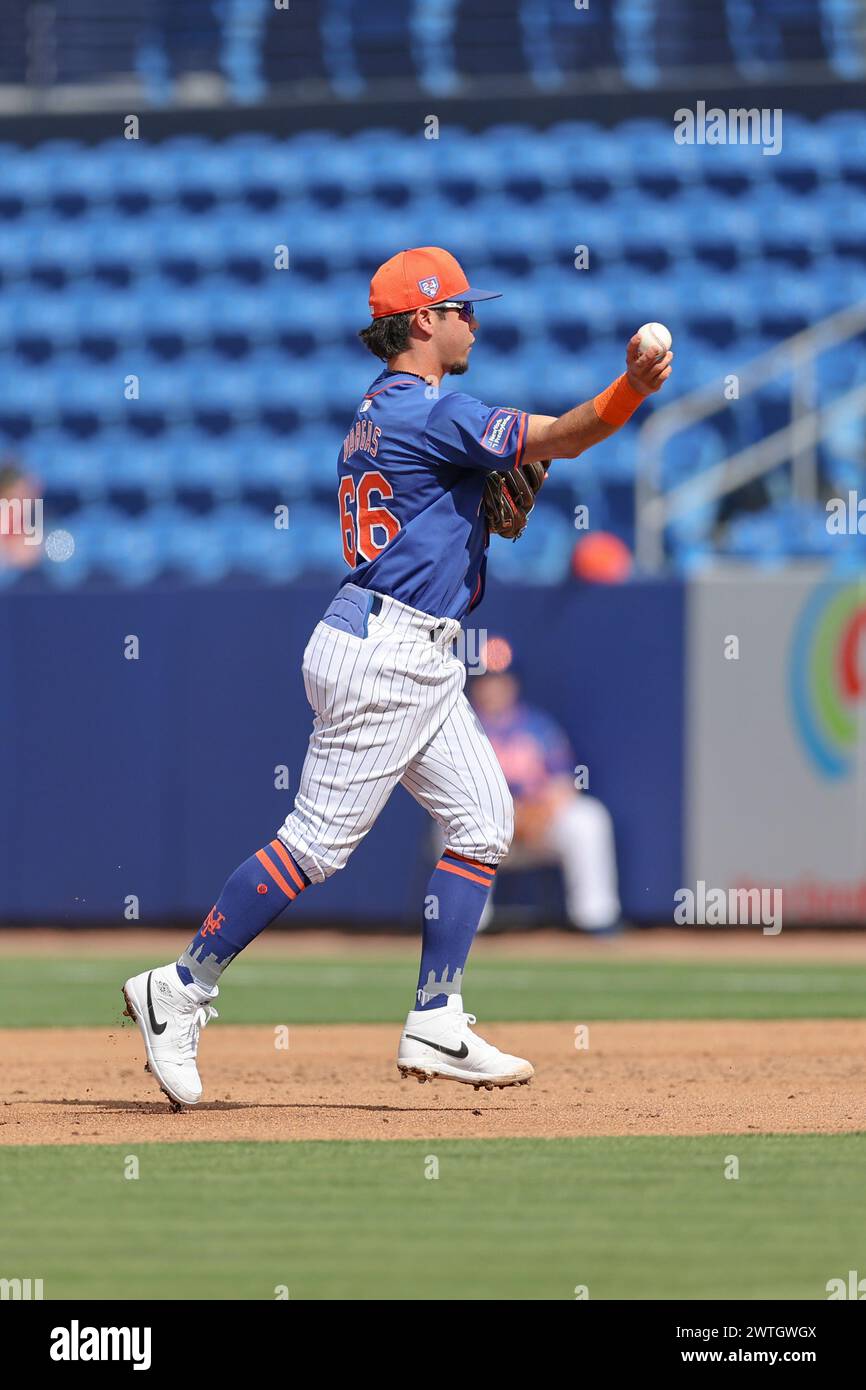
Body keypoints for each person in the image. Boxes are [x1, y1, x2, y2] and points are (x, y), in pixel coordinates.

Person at [122, 246, 672, 1107]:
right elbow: (570, 434)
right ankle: (180, 989)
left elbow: (448, 498)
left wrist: (468, 511)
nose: (472, 321)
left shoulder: (375, 415)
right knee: (316, 845)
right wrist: (632, 384)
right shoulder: (432, 411)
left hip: (409, 647)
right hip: (389, 649)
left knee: (483, 820)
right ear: (423, 320)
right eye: (460, 309)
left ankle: (436, 1017)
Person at [468, 646, 621, 934]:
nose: (493, 687)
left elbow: (565, 783)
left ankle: (597, 918)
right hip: (488, 827)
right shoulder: (461, 725)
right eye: (487, 680)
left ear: (513, 684)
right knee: (454, 825)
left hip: (539, 825)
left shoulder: (538, 727)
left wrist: (541, 813)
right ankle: (467, 924)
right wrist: (511, 816)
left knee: (588, 818)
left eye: (501, 680)